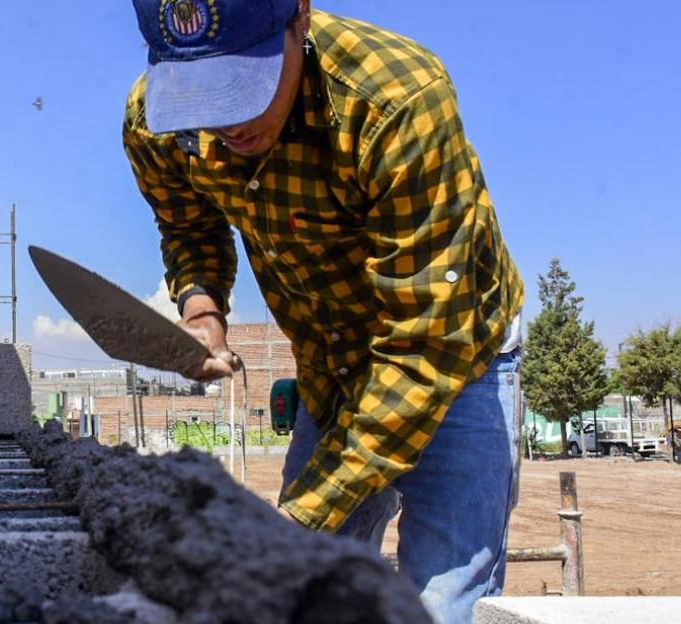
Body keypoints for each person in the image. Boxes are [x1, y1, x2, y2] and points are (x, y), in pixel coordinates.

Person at [122, 1, 524, 622]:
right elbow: (189, 226)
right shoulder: (158, 122)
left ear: (300, 17)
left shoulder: (396, 101)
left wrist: (296, 522)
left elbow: (423, 347)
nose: (227, 122)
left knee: (441, 604)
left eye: (243, 85)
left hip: (452, 355)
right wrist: (203, 310)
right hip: (330, 364)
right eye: (202, 94)